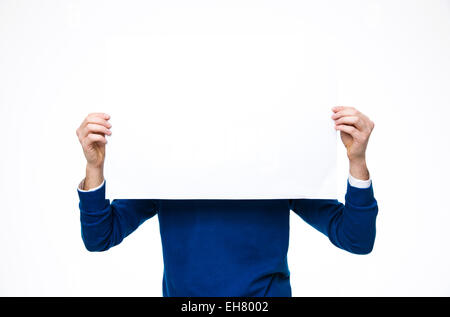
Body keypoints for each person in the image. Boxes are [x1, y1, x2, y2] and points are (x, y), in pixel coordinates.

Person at [75, 106, 377, 296]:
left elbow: (356, 239)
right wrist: (94, 167)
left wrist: (357, 160)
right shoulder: (166, 168)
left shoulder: (280, 165)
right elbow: (100, 237)